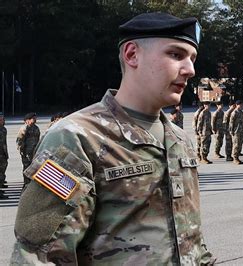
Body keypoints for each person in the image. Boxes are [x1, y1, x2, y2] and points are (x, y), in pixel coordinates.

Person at [11, 12, 214, 265]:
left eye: (193, 58)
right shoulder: (76, 138)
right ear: (132, 55)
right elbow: (37, 257)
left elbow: (191, 243)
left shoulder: (180, 139)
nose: (190, 69)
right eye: (176, 54)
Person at [16, 112, 40, 189]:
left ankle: (32, 184)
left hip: (34, 152)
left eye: (35, 118)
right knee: (26, 168)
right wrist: (22, 151)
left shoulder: (36, 128)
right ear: (28, 120)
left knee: (34, 168)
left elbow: (38, 139)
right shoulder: (24, 128)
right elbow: (19, 140)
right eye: (33, 118)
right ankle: (26, 183)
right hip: (26, 152)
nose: (35, 119)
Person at [0, 113, 8, 199]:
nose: (3, 121)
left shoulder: (3, 130)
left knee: (2, 171)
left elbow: (4, 143)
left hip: (3, 153)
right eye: (1, 120)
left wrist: (6, 153)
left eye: (3, 120)